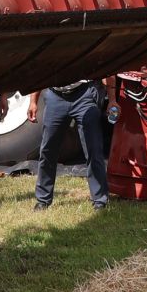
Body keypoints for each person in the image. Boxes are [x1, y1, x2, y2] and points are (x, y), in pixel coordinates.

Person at [33, 78, 111, 209]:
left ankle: (100, 200)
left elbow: (108, 72)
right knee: (47, 150)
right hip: (55, 95)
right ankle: (43, 200)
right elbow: (40, 71)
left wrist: (112, 99)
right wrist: (33, 102)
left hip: (84, 94)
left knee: (93, 148)